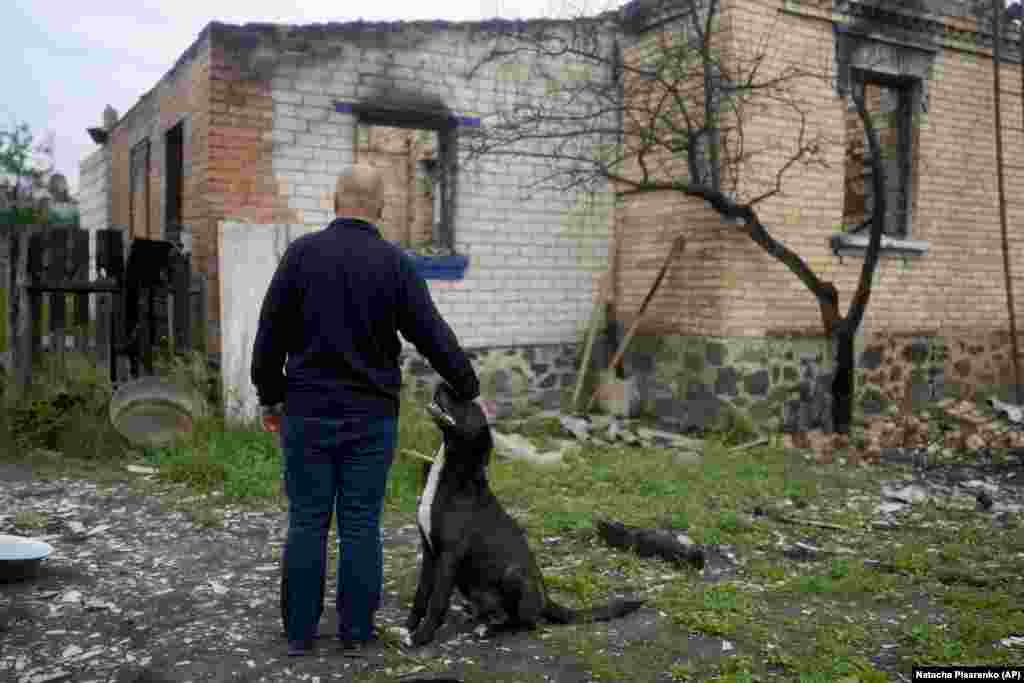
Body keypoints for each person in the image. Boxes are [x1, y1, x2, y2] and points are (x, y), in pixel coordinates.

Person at [251, 163, 482, 657]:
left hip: (306, 413)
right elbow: (432, 334)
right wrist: (468, 383)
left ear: (334, 201)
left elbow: (269, 336)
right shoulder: (394, 263)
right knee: (360, 523)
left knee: (307, 521)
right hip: (371, 419)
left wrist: (270, 396)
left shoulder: (300, 256)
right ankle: (356, 633)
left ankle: (299, 635)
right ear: (380, 208)